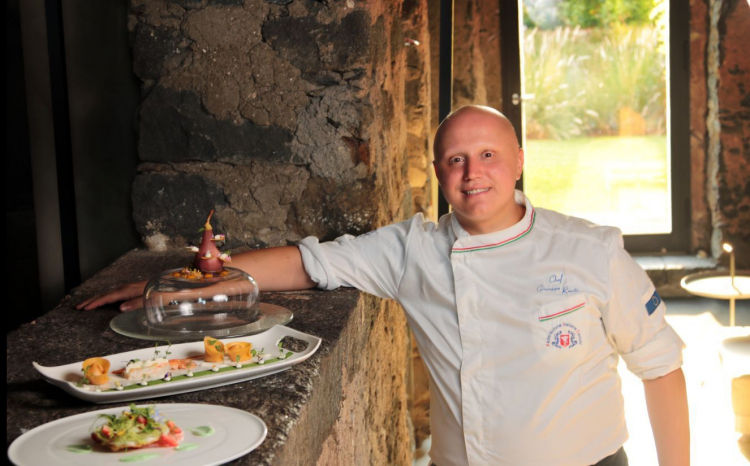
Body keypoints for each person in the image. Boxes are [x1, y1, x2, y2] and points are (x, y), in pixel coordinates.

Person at [79, 105, 689, 466]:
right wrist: (185, 287)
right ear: (437, 172)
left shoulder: (591, 249)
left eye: (488, 155)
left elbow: (660, 368)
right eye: (455, 160)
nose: (473, 174)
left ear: (520, 160)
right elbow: (302, 264)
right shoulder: (413, 250)